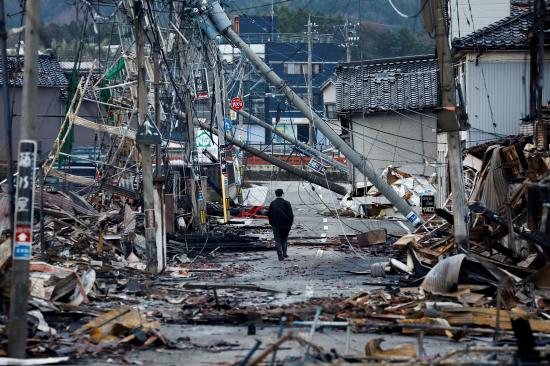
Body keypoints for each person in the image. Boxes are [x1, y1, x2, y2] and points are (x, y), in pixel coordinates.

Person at [268, 188, 294, 261]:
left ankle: (280, 255)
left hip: (275, 225)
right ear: (282, 194)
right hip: (285, 225)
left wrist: (271, 223)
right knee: (284, 239)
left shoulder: (272, 203)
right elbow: (291, 215)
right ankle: (285, 253)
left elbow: (269, 215)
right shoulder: (287, 203)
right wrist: (290, 224)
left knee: (277, 240)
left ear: (276, 194)